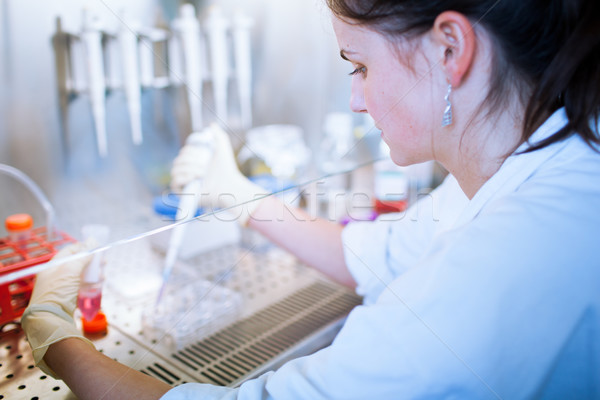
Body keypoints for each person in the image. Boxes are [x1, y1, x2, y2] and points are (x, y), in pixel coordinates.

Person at [21, 0, 600, 398]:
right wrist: (241, 196)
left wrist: (57, 341)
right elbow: (380, 252)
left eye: (361, 65)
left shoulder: (511, 259)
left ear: (450, 48)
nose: (354, 98)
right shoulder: (545, 164)